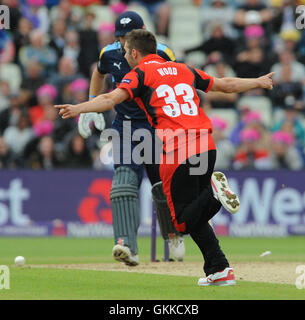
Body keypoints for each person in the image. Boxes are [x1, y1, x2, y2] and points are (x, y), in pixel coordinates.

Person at [55, 29, 274, 286]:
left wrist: (78, 107)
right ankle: (219, 269)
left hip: (179, 150)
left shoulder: (139, 74)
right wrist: (258, 82)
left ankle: (214, 194)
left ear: (135, 53)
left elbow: (111, 98)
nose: (125, 56)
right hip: (206, 144)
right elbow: (225, 85)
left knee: (179, 222)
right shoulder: (182, 68)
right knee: (195, 215)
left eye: (126, 52)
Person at [77, 11, 183, 266]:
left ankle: (173, 235)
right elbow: (98, 73)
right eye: (121, 37)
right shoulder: (110, 53)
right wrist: (92, 104)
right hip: (125, 127)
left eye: (129, 37)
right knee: (124, 182)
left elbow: (176, 82)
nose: (125, 43)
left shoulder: (163, 53)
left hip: (157, 127)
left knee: (162, 187)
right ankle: (127, 245)